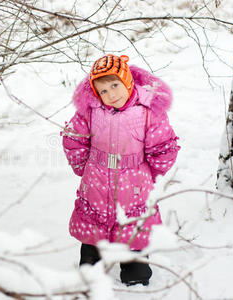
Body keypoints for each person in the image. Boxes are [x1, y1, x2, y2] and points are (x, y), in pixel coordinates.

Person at [61, 54, 180, 286]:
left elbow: (164, 146)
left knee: (133, 226)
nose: (110, 95)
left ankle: (134, 264)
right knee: (93, 222)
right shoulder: (90, 111)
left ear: (127, 81)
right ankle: (92, 256)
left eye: (115, 86)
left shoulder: (148, 111)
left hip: (135, 184)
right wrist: (83, 166)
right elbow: (73, 139)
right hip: (96, 180)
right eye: (103, 91)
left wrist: (150, 173)